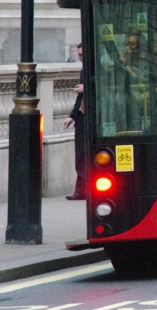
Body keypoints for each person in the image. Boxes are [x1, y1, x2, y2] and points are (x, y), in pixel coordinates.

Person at [64, 43, 85, 200]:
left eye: (82, 55)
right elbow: (80, 97)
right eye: (78, 54)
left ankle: (84, 190)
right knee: (80, 155)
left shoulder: (100, 68)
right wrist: (72, 116)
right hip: (82, 117)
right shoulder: (84, 70)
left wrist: (87, 88)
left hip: (94, 118)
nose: (79, 58)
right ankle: (80, 190)